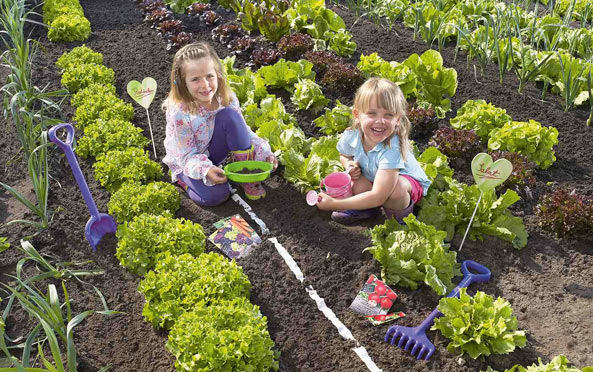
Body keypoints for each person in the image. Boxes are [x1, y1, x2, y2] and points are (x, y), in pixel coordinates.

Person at [162, 42, 277, 205]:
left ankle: (245, 173)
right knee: (216, 195)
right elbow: (187, 155)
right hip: (187, 160)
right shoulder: (180, 113)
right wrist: (206, 169)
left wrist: (265, 153)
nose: (205, 85)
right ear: (182, 83)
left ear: (218, 74)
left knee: (231, 117)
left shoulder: (226, 99)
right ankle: (183, 181)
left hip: (214, 152)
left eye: (209, 76)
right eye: (195, 79)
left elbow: (244, 132)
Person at [316, 77, 431, 225]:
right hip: (375, 178)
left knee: (396, 191)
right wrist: (349, 164)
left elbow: (379, 196)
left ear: (397, 119)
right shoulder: (352, 135)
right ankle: (367, 210)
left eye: (388, 115)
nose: (380, 121)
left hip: (404, 183)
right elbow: (344, 154)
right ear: (357, 115)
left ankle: (400, 221)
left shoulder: (392, 148)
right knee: (356, 180)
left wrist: (335, 204)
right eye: (372, 113)